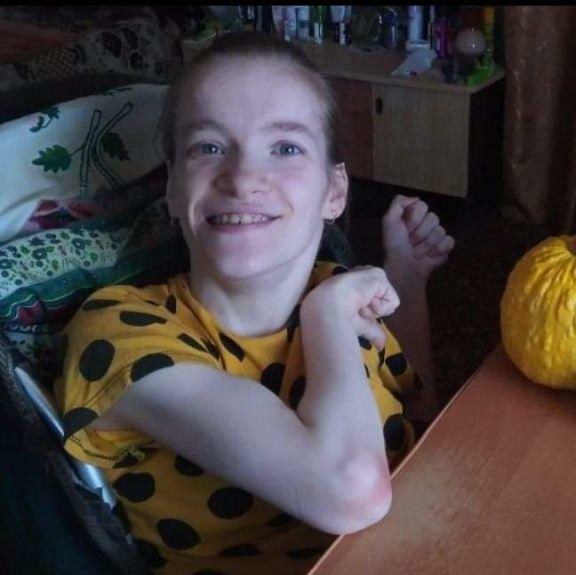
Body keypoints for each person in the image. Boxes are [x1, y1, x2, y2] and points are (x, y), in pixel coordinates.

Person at [55, 32, 454, 575]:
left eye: (285, 147)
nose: (242, 179)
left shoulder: (338, 287)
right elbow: (351, 491)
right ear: (173, 187)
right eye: (208, 147)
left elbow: (419, 418)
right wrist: (327, 317)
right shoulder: (120, 334)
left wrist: (408, 276)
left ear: (334, 192)